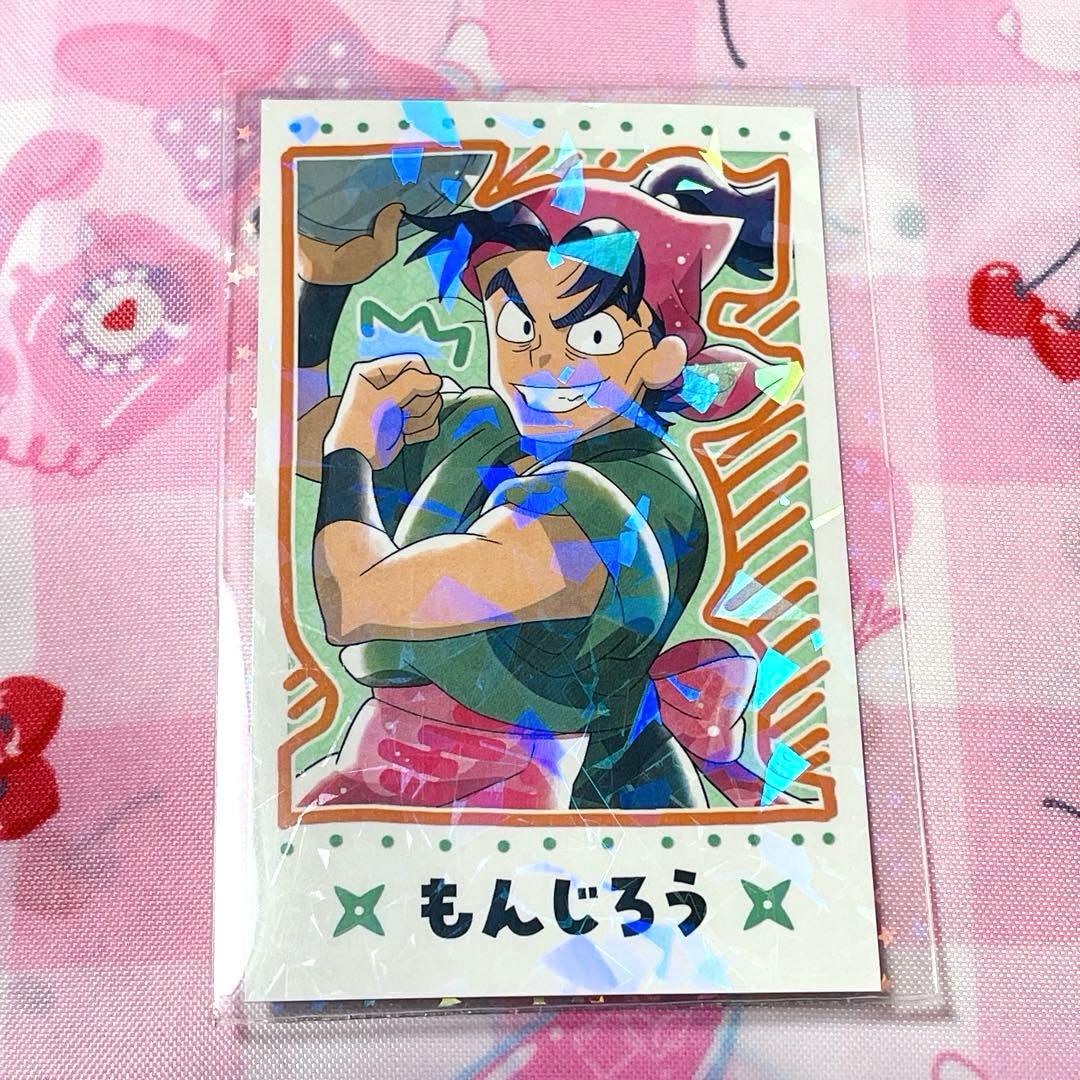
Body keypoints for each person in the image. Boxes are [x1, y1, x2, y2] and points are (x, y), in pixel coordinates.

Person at [297, 158, 775, 811]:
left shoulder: (622, 497)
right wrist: (324, 290)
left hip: (542, 807)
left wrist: (350, 449)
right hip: (393, 766)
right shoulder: (488, 432)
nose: (544, 361)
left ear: (663, 355)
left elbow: (358, 600)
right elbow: (299, 442)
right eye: (518, 326)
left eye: (593, 334)